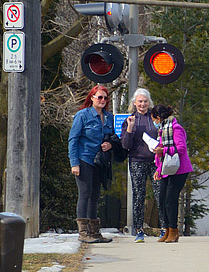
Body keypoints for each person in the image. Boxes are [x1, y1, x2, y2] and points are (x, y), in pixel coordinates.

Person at [68, 85, 115, 244]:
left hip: (99, 161)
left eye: (105, 98)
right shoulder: (82, 115)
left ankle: (94, 232)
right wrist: (74, 163)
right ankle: (83, 233)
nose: (102, 100)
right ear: (92, 98)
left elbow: (111, 137)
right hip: (84, 159)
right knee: (85, 193)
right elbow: (73, 139)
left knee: (95, 195)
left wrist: (109, 144)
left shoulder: (109, 117)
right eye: (99, 97)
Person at [120, 88, 160, 243]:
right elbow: (125, 144)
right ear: (134, 103)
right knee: (139, 195)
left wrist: (161, 148)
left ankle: (165, 229)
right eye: (140, 101)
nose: (142, 104)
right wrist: (129, 128)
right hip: (137, 160)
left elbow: (164, 136)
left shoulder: (155, 118)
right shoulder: (130, 119)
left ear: (149, 102)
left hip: (155, 161)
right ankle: (138, 230)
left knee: (159, 193)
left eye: (145, 101)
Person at [150, 104, 193, 244]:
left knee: (170, 199)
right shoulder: (162, 130)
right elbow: (162, 152)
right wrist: (158, 169)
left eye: (155, 120)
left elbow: (181, 148)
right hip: (166, 169)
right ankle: (167, 229)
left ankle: (174, 230)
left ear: (159, 117)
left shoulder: (175, 128)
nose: (155, 123)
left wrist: (164, 150)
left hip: (179, 169)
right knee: (162, 199)